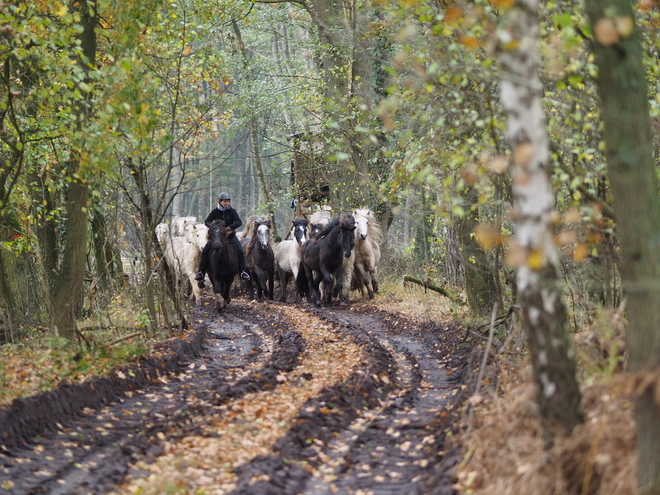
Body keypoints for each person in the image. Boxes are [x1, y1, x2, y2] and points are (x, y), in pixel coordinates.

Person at [195, 192, 250, 286]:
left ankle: (243, 272)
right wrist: (214, 227)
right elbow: (207, 221)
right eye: (224, 201)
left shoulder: (232, 211)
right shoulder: (215, 212)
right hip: (216, 237)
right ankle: (201, 273)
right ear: (220, 201)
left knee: (240, 251)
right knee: (205, 251)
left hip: (230, 236)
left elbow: (239, 222)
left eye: (228, 201)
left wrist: (229, 228)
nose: (226, 203)